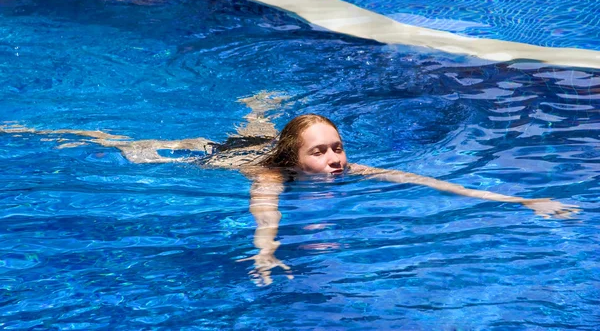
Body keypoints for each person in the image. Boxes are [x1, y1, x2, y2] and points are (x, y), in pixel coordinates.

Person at [0, 92, 580, 286]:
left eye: (337, 148)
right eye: (320, 152)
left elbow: (426, 180)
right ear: (296, 157)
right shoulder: (270, 174)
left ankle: (258, 108)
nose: (334, 160)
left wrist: (521, 200)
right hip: (218, 160)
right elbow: (265, 215)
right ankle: (41, 127)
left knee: (255, 123)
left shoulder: (345, 170)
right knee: (130, 146)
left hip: (264, 143)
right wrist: (266, 252)